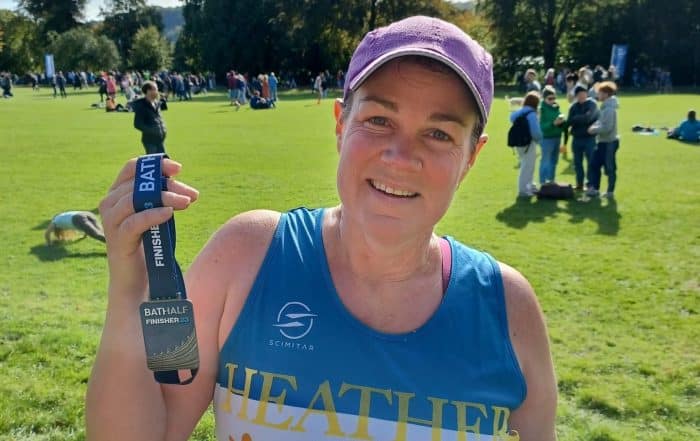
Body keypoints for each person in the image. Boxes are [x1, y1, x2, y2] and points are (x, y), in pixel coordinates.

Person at [87, 16, 557, 441]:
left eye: (439, 134)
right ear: (340, 124)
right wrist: (133, 294)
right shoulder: (245, 256)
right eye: (378, 120)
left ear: (471, 156)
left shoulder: (507, 308)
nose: (399, 155)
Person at [586, 81, 620, 198]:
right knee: (594, 164)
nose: (597, 95)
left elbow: (607, 127)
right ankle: (594, 188)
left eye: (599, 93)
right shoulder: (605, 107)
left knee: (610, 168)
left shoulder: (609, 109)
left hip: (609, 142)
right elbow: (601, 122)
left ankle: (610, 192)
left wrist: (593, 130)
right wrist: (595, 126)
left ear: (605, 94)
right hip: (601, 142)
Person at [510, 91, 543, 197]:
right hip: (528, 143)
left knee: (525, 164)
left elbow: (511, 118)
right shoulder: (532, 114)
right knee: (528, 167)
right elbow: (536, 132)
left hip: (518, 143)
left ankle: (529, 186)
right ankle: (524, 190)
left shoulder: (520, 112)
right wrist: (539, 141)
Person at [567, 85, 599, 191]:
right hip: (576, 139)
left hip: (589, 139)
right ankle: (579, 184)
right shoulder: (573, 107)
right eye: (580, 95)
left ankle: (590, 184)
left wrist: (577, 118)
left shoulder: (592, 104)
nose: (582, 96)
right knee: (577, 163)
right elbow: (570, 121)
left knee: (591, 162)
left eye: (584, 94)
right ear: (576, 96)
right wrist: (581, 118)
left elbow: (589, 118)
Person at [539, 86, 566, 184]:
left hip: (557, 137)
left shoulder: (556, 107)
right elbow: (541, 126)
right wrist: (552, 124)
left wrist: (563, 121)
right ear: (544, 98)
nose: (552, 101)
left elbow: (560, 122)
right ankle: (543, 182)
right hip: (546, 138)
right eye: (550, 99)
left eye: (554, 98)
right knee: (545, 161)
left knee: (554, 160)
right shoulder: (541, 109)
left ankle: (551, 180)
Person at [132, 81, 167, 154]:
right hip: (150, 141)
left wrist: (163, 129)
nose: (157, 91)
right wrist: (152, 131)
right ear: (148, 91)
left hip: (160, 140)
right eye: (155, 89)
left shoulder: (156, 103)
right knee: (152, 162)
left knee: (163, 161)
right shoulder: (142, 106)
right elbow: (137, 124)